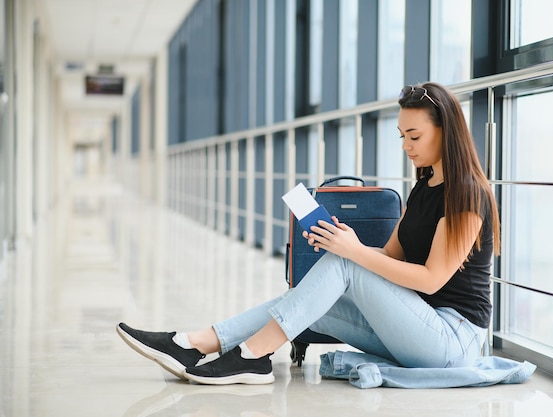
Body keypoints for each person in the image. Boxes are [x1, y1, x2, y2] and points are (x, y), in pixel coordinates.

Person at [117, 81, 501, 386]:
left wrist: (351, 253)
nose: (405, 146)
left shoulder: (467, 194)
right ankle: (194, 343)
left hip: (452, 341)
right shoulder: (424, 186)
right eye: (401, 136)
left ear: (446, 132)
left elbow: (432, 281)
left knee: (343, 265)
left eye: (414, 136)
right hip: (416, 325)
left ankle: (251, 358)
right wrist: (345, 241)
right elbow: (392, 258)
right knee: (304, 301)